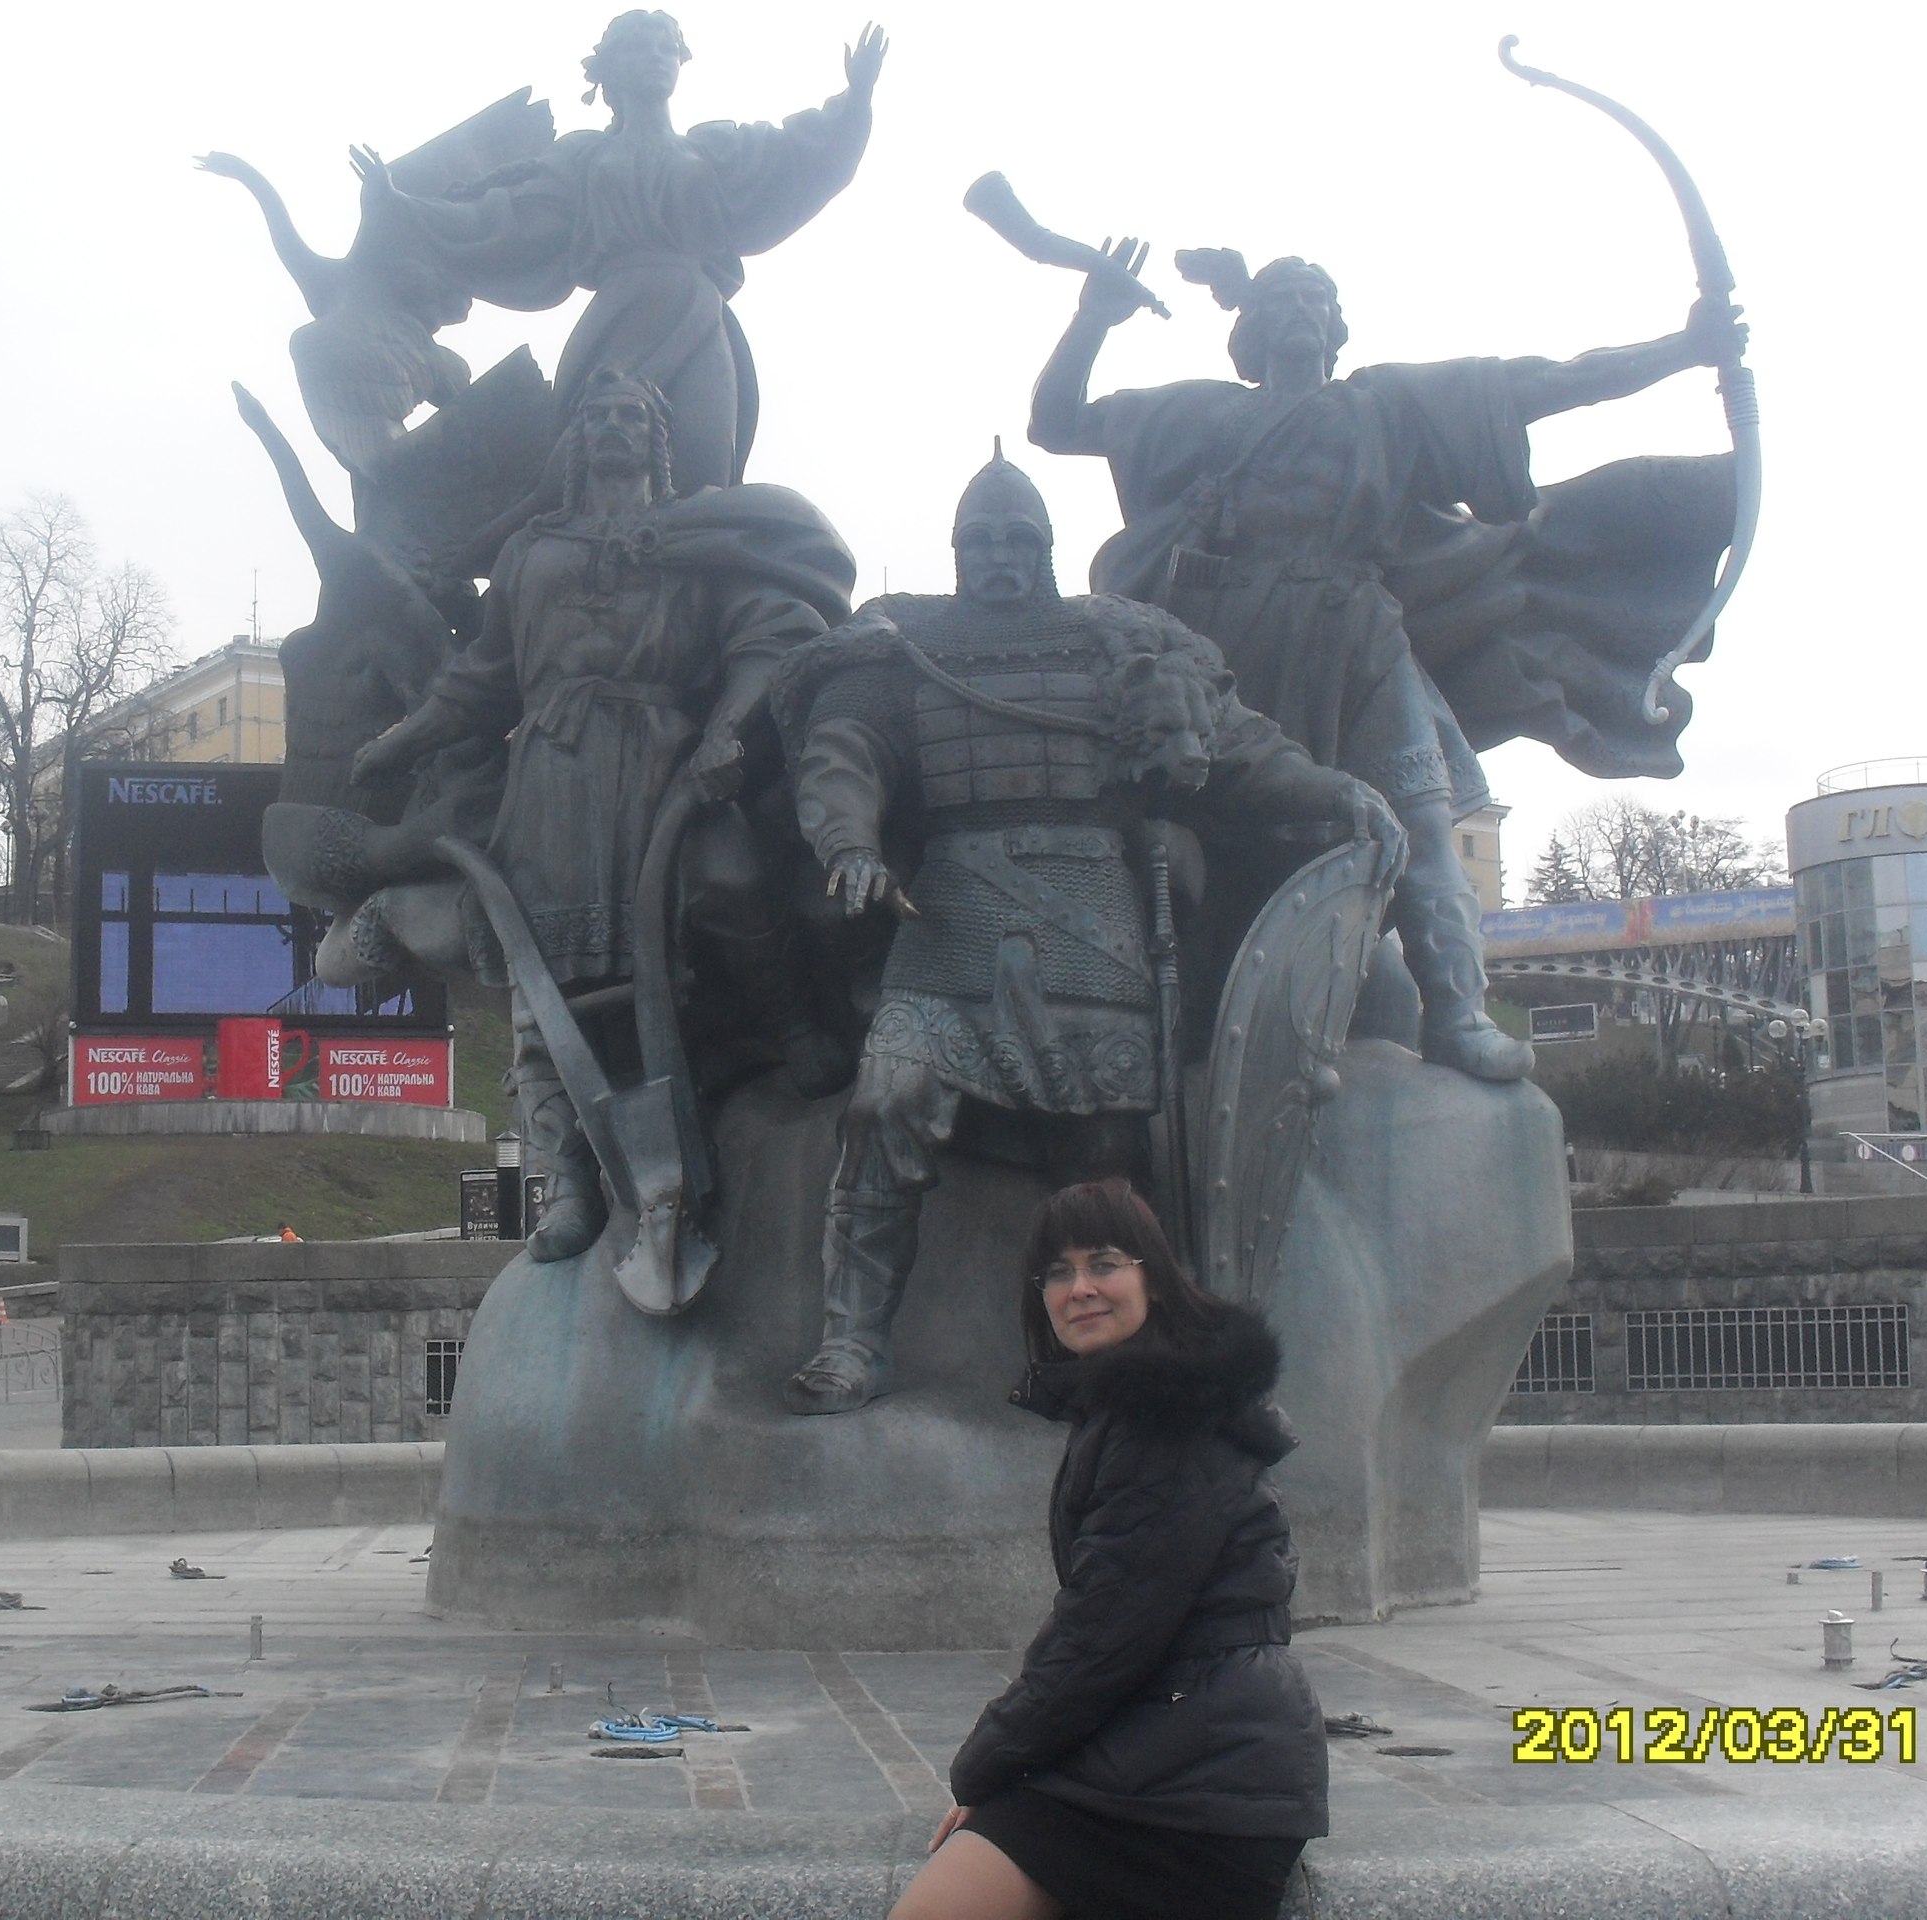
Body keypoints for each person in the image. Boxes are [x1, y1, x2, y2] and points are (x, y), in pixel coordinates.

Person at [1029, 241, 1744, 1083]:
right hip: (1231, 652)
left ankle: (1458, 1016)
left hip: (1359, 635)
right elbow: (1056, 423)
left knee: (1425, 818)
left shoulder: (1387, 408)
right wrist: (1093, 319)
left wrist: (1683, 350)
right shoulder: (1201, 415)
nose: (1301, 311)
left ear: (1337, 327)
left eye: (1316, 299)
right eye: (1282, 299)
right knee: (1208, 838)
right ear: (1249, 329)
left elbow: (1547, 382)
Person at [771, 451, 1395, 1413]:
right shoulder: (904, 647)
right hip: (952, 920)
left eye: (1017, 540)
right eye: (981, 541)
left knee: (1103, 1156)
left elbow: (1234, 742)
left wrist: (1333, 790)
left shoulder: (1121, 642)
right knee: (883, 1104)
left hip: (1092, 919)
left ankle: (1112, 1356)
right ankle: (852, 1342)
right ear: (956, 550)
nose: (1000, 557)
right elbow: (842, 751)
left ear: (1046, 549)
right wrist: (848, 841)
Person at [350, 370, 855, 1262]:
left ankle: (787, 1026)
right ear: (577, 439)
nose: (615, 428)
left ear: (658, 439)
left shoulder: (698, 537)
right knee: (540, 985)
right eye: (599, 416)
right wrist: (402, 742)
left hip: (667, 763)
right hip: (554, 777)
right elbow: (484, 678)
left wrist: (729, 730)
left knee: (732, 881)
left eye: (633, 416)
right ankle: (568, 1182)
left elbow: (769, 638)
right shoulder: (531, 551)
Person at [892, 1178, 1325, 1920]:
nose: (1080, 1289)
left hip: (1200, 1791)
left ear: (1152, 1279)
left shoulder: (1164, 1420)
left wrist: (982, 1770)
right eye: (1058, 1273)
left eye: (1104, 1264)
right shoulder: (1147, 1401)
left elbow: (1103, 1632)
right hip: (1170, 1754)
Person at [352, 11, 887, 511]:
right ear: (610, 70)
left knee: (706, 473)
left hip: (698, 318)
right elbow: (504, 221)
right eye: (639, 48)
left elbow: (796, 153)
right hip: (615, 320)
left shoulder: (715, 148)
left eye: (666, 48)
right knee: (582, 474)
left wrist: (854, 101)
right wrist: (402, 205)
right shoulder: (583, 158)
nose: (656, 57)